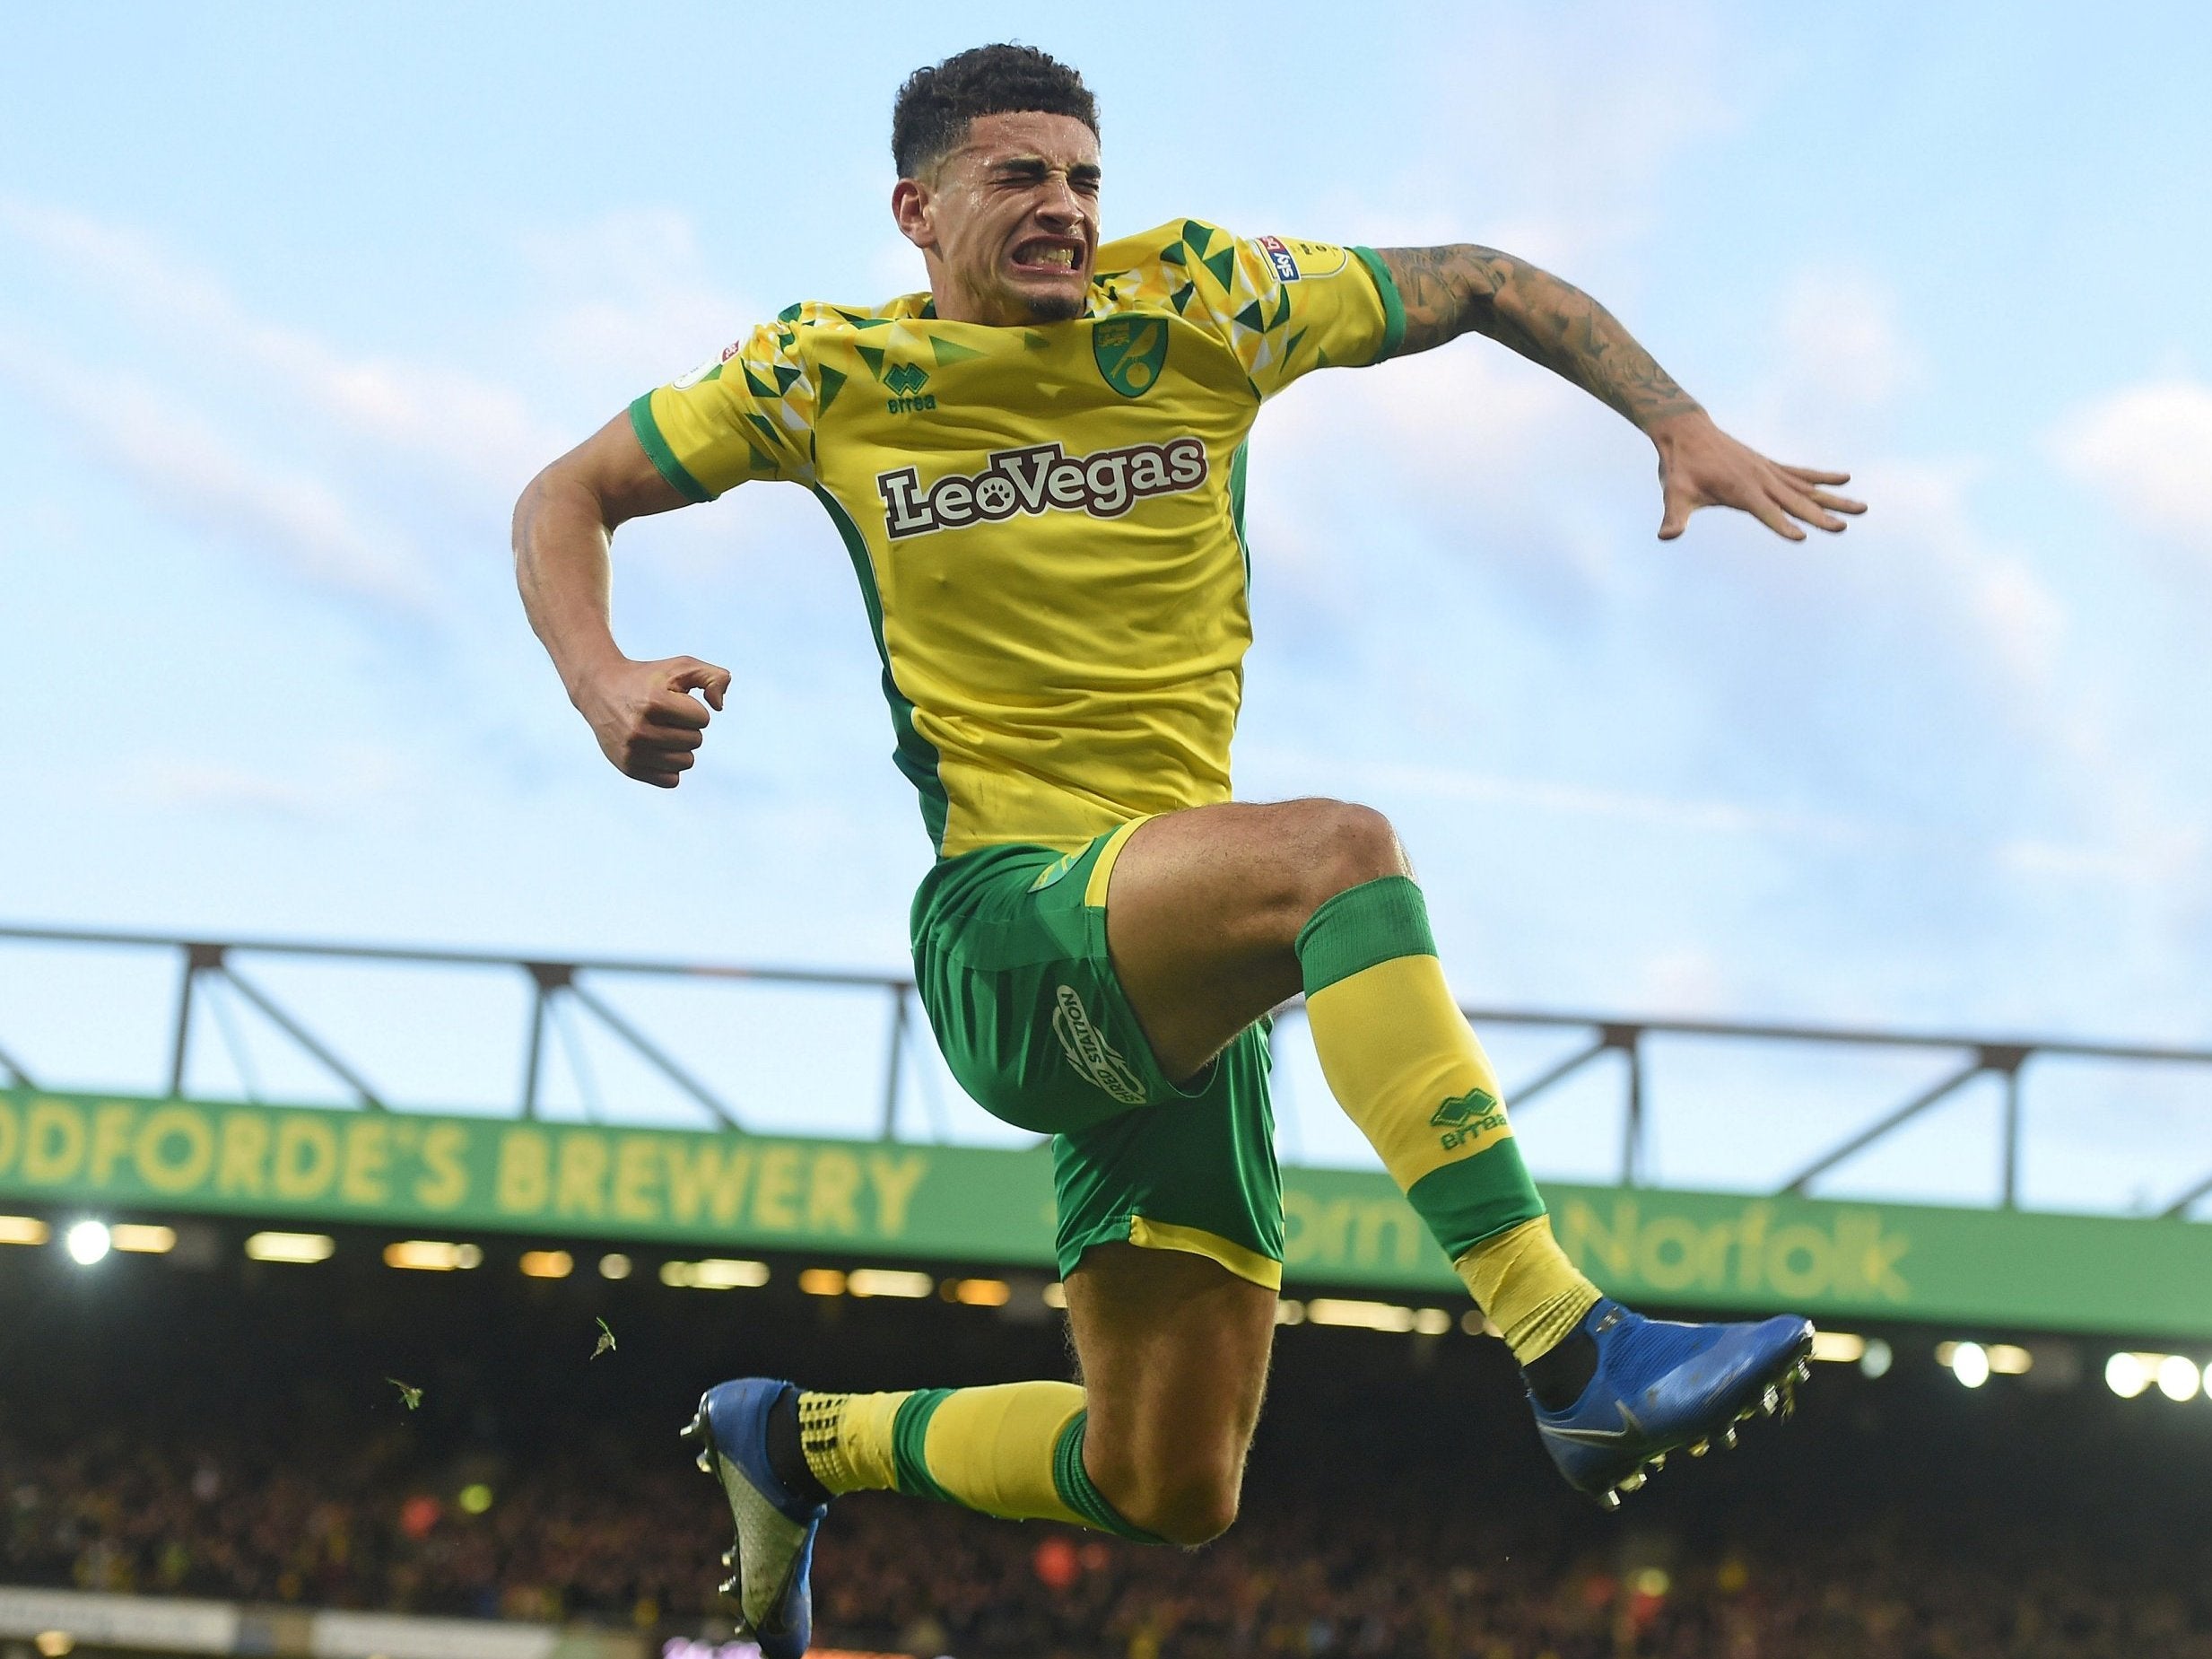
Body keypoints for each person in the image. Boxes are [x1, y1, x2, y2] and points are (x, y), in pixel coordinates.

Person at [512, 44, 1861, 1659]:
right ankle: (1569, 1347)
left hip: (1175, 974)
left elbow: (1484, 281)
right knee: (1337, 857)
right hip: (1008, 929)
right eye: (1019, 176)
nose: (1066, 210)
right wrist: (601, 679)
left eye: (1084, 177)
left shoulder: (1211, 298)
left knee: (1166, 1475)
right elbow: (565, 492)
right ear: (914, 207)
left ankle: (794, 1439)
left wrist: (1680, 423)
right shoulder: (824, 374)